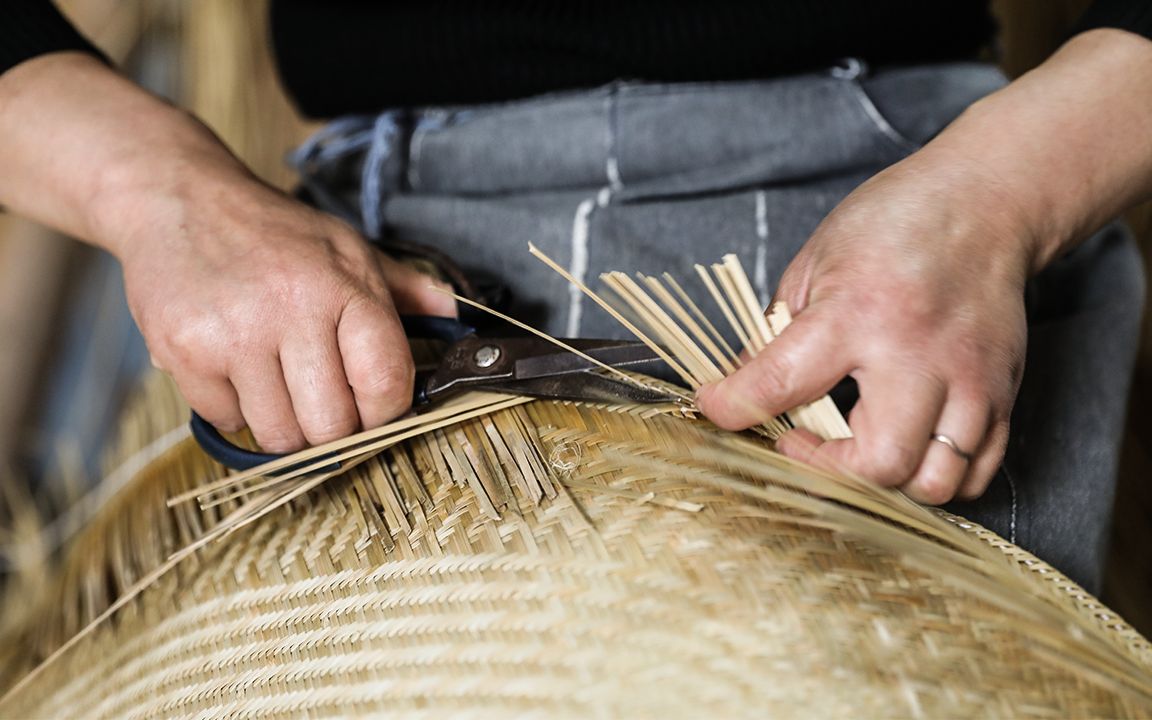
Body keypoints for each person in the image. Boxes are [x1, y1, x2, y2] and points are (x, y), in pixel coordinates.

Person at [1, 1, 1147, 592]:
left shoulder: (973, 223)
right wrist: (159, 190)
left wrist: (1000, 197)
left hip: (931, 232)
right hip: (381, 264)